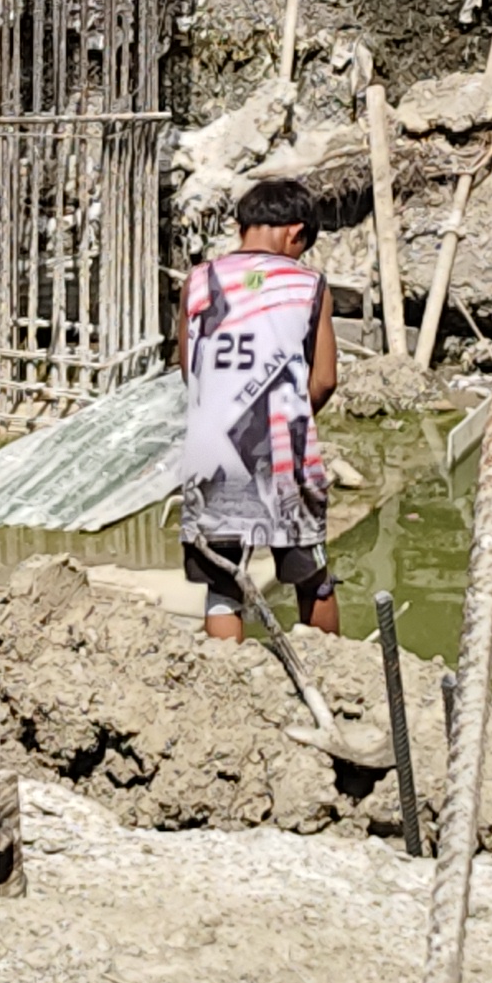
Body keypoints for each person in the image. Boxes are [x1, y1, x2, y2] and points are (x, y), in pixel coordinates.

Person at [174, 174, 340, 641]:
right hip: (283, 452)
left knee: (222, 585)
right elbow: (324, 379)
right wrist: (292, 416)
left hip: (210, 457)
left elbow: (191, 371)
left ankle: (226, 686)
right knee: (313, 577)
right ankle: (327, 673)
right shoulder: (309, 284)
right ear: (295, 233)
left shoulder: (199, 280)